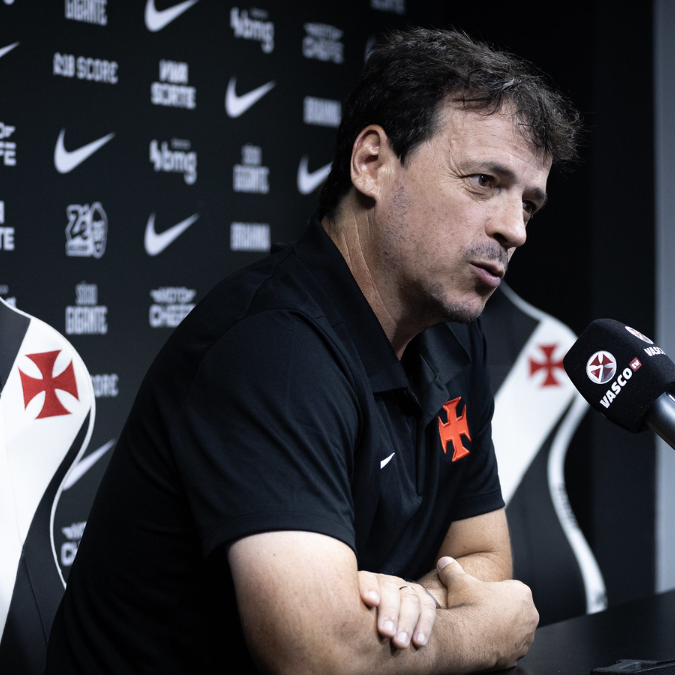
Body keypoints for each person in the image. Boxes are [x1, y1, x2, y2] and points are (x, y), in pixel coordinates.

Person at [45, 27, 581, 674]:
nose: (514, 228)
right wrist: (485, 630)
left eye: (529, 202)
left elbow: (483, 556)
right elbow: (319, 655)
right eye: (483, 181)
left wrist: (412, 600)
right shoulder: (276, 350)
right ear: (372, 163)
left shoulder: (454, 335)